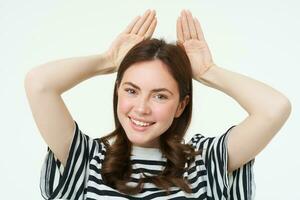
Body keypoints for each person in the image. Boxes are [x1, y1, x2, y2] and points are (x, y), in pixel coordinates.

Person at [24, 9, 291, 200]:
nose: (141, 108)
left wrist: (208, 70)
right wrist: (107, 60)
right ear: (118, 92)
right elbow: (39, 84)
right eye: (131, 90)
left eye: (160, 95)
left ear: (181, 105)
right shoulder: (86, 160)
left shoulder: (206, 162)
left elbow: (274, 108)